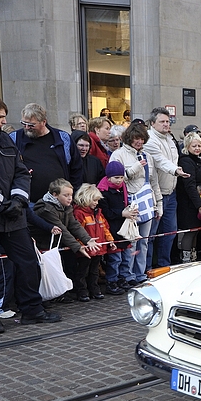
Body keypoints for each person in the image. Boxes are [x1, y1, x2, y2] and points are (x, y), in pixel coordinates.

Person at [0, 93, 62, 334]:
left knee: (27, 262)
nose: (4, 121)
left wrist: (18, 200)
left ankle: (32, 309)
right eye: (0, 117)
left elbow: (21, 172)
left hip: (14, 217)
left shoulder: (5, 141)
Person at [31, 178, 104, 302]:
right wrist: (78, 246)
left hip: (53, 243)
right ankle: (42, 298)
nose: (70, 198)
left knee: (57, 269)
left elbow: (74, 225)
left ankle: (58, 294)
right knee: (43, 272)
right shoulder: (46, 209)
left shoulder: (66, 207)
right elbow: (62, 230)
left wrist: (88, 240)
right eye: (66, 195)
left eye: (71, 194)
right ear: (55, 195)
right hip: (41, 243)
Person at [109, 121, 162, 285]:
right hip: (129, 203)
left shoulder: (148, 156)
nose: (139, 142)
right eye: (136, 138)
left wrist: (158, 204)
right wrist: (135, 167)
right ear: (129, 138)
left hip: (147, 203)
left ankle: (140, 273)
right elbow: (116, 178)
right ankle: (127, 275)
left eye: (141, 138)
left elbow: (154, 181)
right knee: (130, 241)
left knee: (144, 242)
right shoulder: (118, 154)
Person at [143, 107, 190, 268]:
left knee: (170, 233)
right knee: (150, 235)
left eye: (167, 122)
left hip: (171, 193)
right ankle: (147, 268)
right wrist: (176, 170)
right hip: (156, 195)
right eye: (162, 121)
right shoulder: (149, 140)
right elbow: (161, 161)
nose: (165, 124)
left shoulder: (169, 139)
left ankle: (164, 266)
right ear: (152, 123)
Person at [10, 102, 84, 204]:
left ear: (44, 122)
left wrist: (72, 195)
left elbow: (76, 168)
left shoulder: (63, 139)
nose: (26, 127)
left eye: (31, 125)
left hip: (58, 203)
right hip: (27, 202)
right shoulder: (15, 138)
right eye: (23, 123)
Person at [96, 160, 136, 294]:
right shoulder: (103, 192)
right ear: (108, 177)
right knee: (115, 258)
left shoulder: (122, 187)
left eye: (121, 177)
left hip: (124, 227)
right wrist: (122, 213)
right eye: (116, 178)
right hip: (112, 228)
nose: (119, 180)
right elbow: (106, 212)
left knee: (126, 256)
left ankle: (122, 278)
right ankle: (111, 281)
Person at [72, 183, 117, 301]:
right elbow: (77, 231)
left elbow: (105, 228)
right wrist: (81, 245)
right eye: (94, 200)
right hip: (85, 249)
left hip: (98, 248)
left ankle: (94, 289)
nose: (96, 203)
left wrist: (110, 240)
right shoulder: (79, 213)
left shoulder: (98, 213)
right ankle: (82, 291)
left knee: (94, 270)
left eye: (97, 200)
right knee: (83, 271)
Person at [176, 131, 201, 263]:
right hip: (189, 202)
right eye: (194, 146)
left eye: (199, 146)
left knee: (196, 231)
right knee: (190, 231)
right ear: (187, 146)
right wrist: (199, 204)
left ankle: (193, 255)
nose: (197, 148)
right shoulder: (186, 161)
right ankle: (186, 259)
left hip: (199, 198)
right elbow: (189, 185)